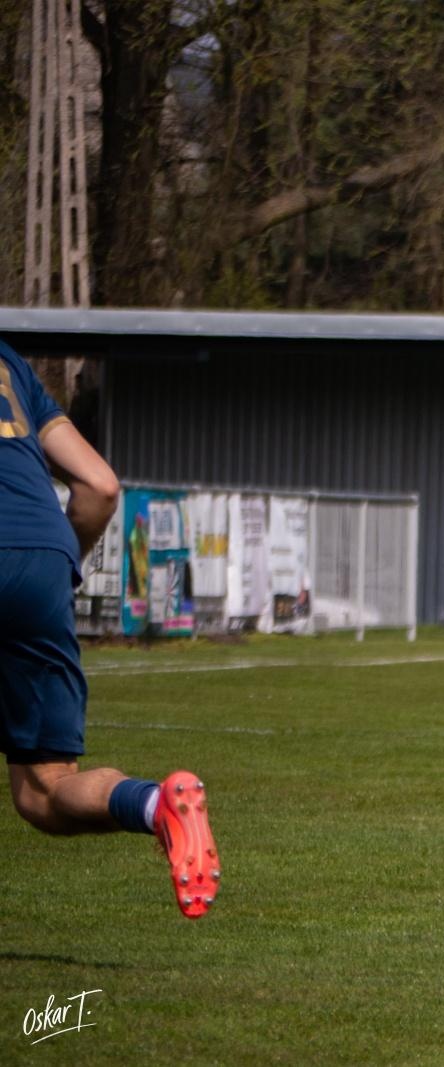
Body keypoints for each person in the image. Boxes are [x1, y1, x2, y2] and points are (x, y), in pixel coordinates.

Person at [0, 338, 219, 918]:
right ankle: (154, 805)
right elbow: (100, 486)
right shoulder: (9, 362)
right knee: (43, 790)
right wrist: (49, 572)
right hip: (41, 557)